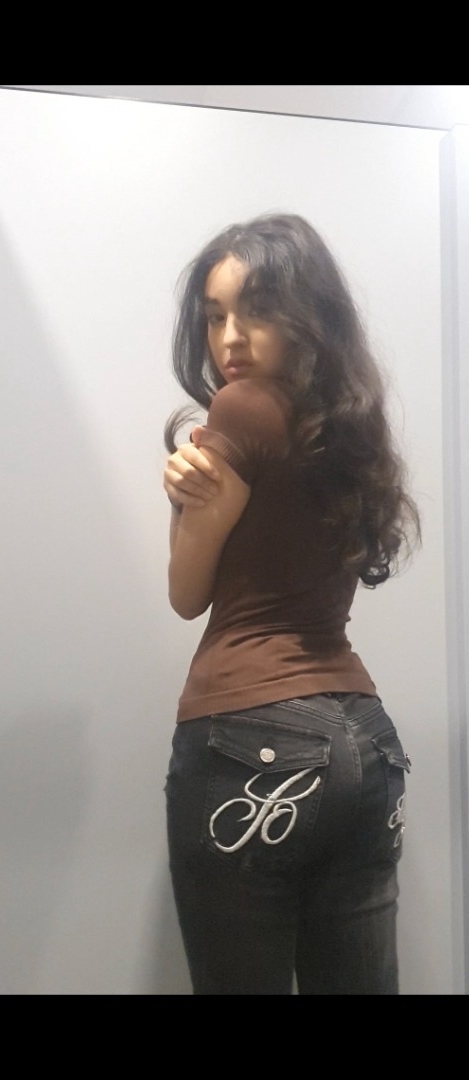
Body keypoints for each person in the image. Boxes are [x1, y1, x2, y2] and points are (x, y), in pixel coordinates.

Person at [162, 212, 420, 995]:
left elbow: (185, 593)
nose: (230, 338)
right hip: (365, 741)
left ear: (306, 314)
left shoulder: (239, 409)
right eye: (214, 316)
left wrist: (181, 500)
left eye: (256, 311)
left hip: (252, 735)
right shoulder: (351, 428)